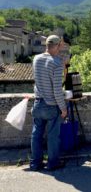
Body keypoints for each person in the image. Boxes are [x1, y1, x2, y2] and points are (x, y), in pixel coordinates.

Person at [30, 35, 67, 171]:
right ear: (57, 46)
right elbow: (57, 90)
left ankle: (35, 163)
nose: (62, 47)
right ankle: (52, 163)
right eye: (61, 45)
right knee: (52, 136)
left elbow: (37, 81)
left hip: (38, 103)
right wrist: (63, 109)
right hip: (51, 106)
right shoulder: (56, 63)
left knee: (36, 134)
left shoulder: (36, 59)